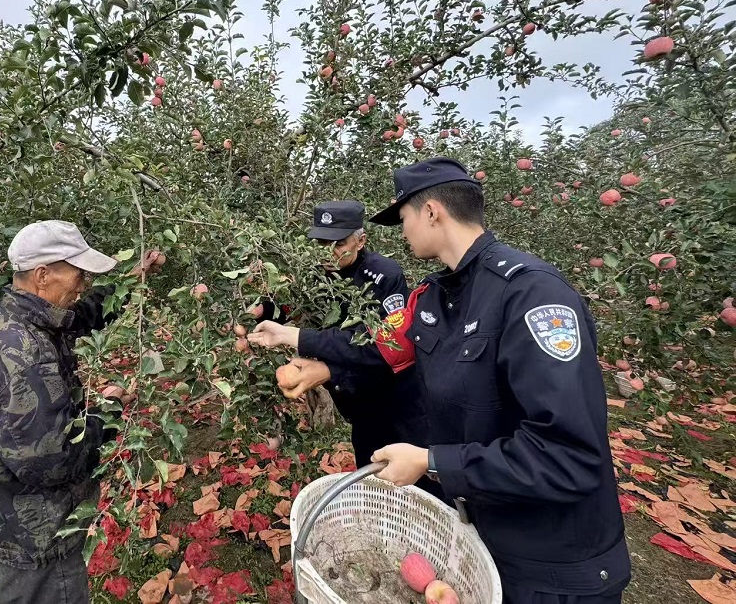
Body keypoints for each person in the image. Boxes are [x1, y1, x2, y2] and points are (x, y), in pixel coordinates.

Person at [367, 158, 631, 604]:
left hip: (553, 566)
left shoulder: (532, 296)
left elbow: (568, 456)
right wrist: (313, 357)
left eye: (404, 217)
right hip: (484, 539)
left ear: (431, 212)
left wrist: (433, 461)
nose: (402, 231)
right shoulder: (435, 296)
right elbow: (389, 354)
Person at [0, 220, 162, 604]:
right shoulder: (21, 353)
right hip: (38, 538)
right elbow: (47, 459)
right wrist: (110, 409)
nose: (84, 283)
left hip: (12, 520)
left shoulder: (14, 315)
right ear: (42, 275)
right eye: (78, 273)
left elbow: (83, 314)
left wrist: (135, 278)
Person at [247, 200, 433, 482]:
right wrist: (264, 310)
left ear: (361, 241)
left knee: (416, 486)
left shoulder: (384, 276)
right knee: (371, 476)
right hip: (356, 404)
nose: (328, 253)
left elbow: (381, 348)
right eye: (322, 243)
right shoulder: (313, 275)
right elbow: (296, 309)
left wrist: (305, 345)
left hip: (395, 403)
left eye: (338, 243)